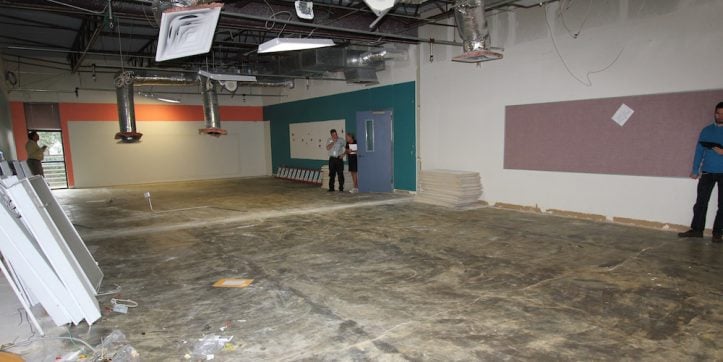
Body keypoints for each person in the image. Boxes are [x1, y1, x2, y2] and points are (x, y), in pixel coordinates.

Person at [679, 102, 723, 243]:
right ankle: (697, 230)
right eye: (718, 113)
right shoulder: (706, 130)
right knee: (701, 202)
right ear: (714, 113)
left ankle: (717, 233)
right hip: (707, 172)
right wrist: (695, 169)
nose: (720, 116)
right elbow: (699, 151)